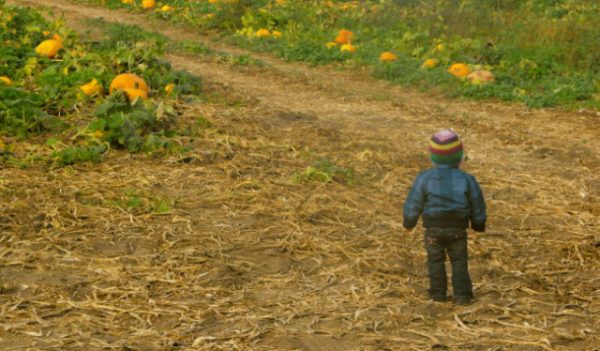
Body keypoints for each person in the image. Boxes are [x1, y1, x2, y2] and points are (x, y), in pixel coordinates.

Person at [403, 128, 486, 305]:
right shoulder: (467, 179)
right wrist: (478, 224)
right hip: (457, 228)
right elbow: (477, 203)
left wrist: (409, 222)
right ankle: (462, 296)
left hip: (433, 229)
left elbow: (414, 202)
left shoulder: (424, 178)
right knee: (459, 261)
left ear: (432, 157)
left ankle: (437, 295)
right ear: (460, 157)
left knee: (435, 260)